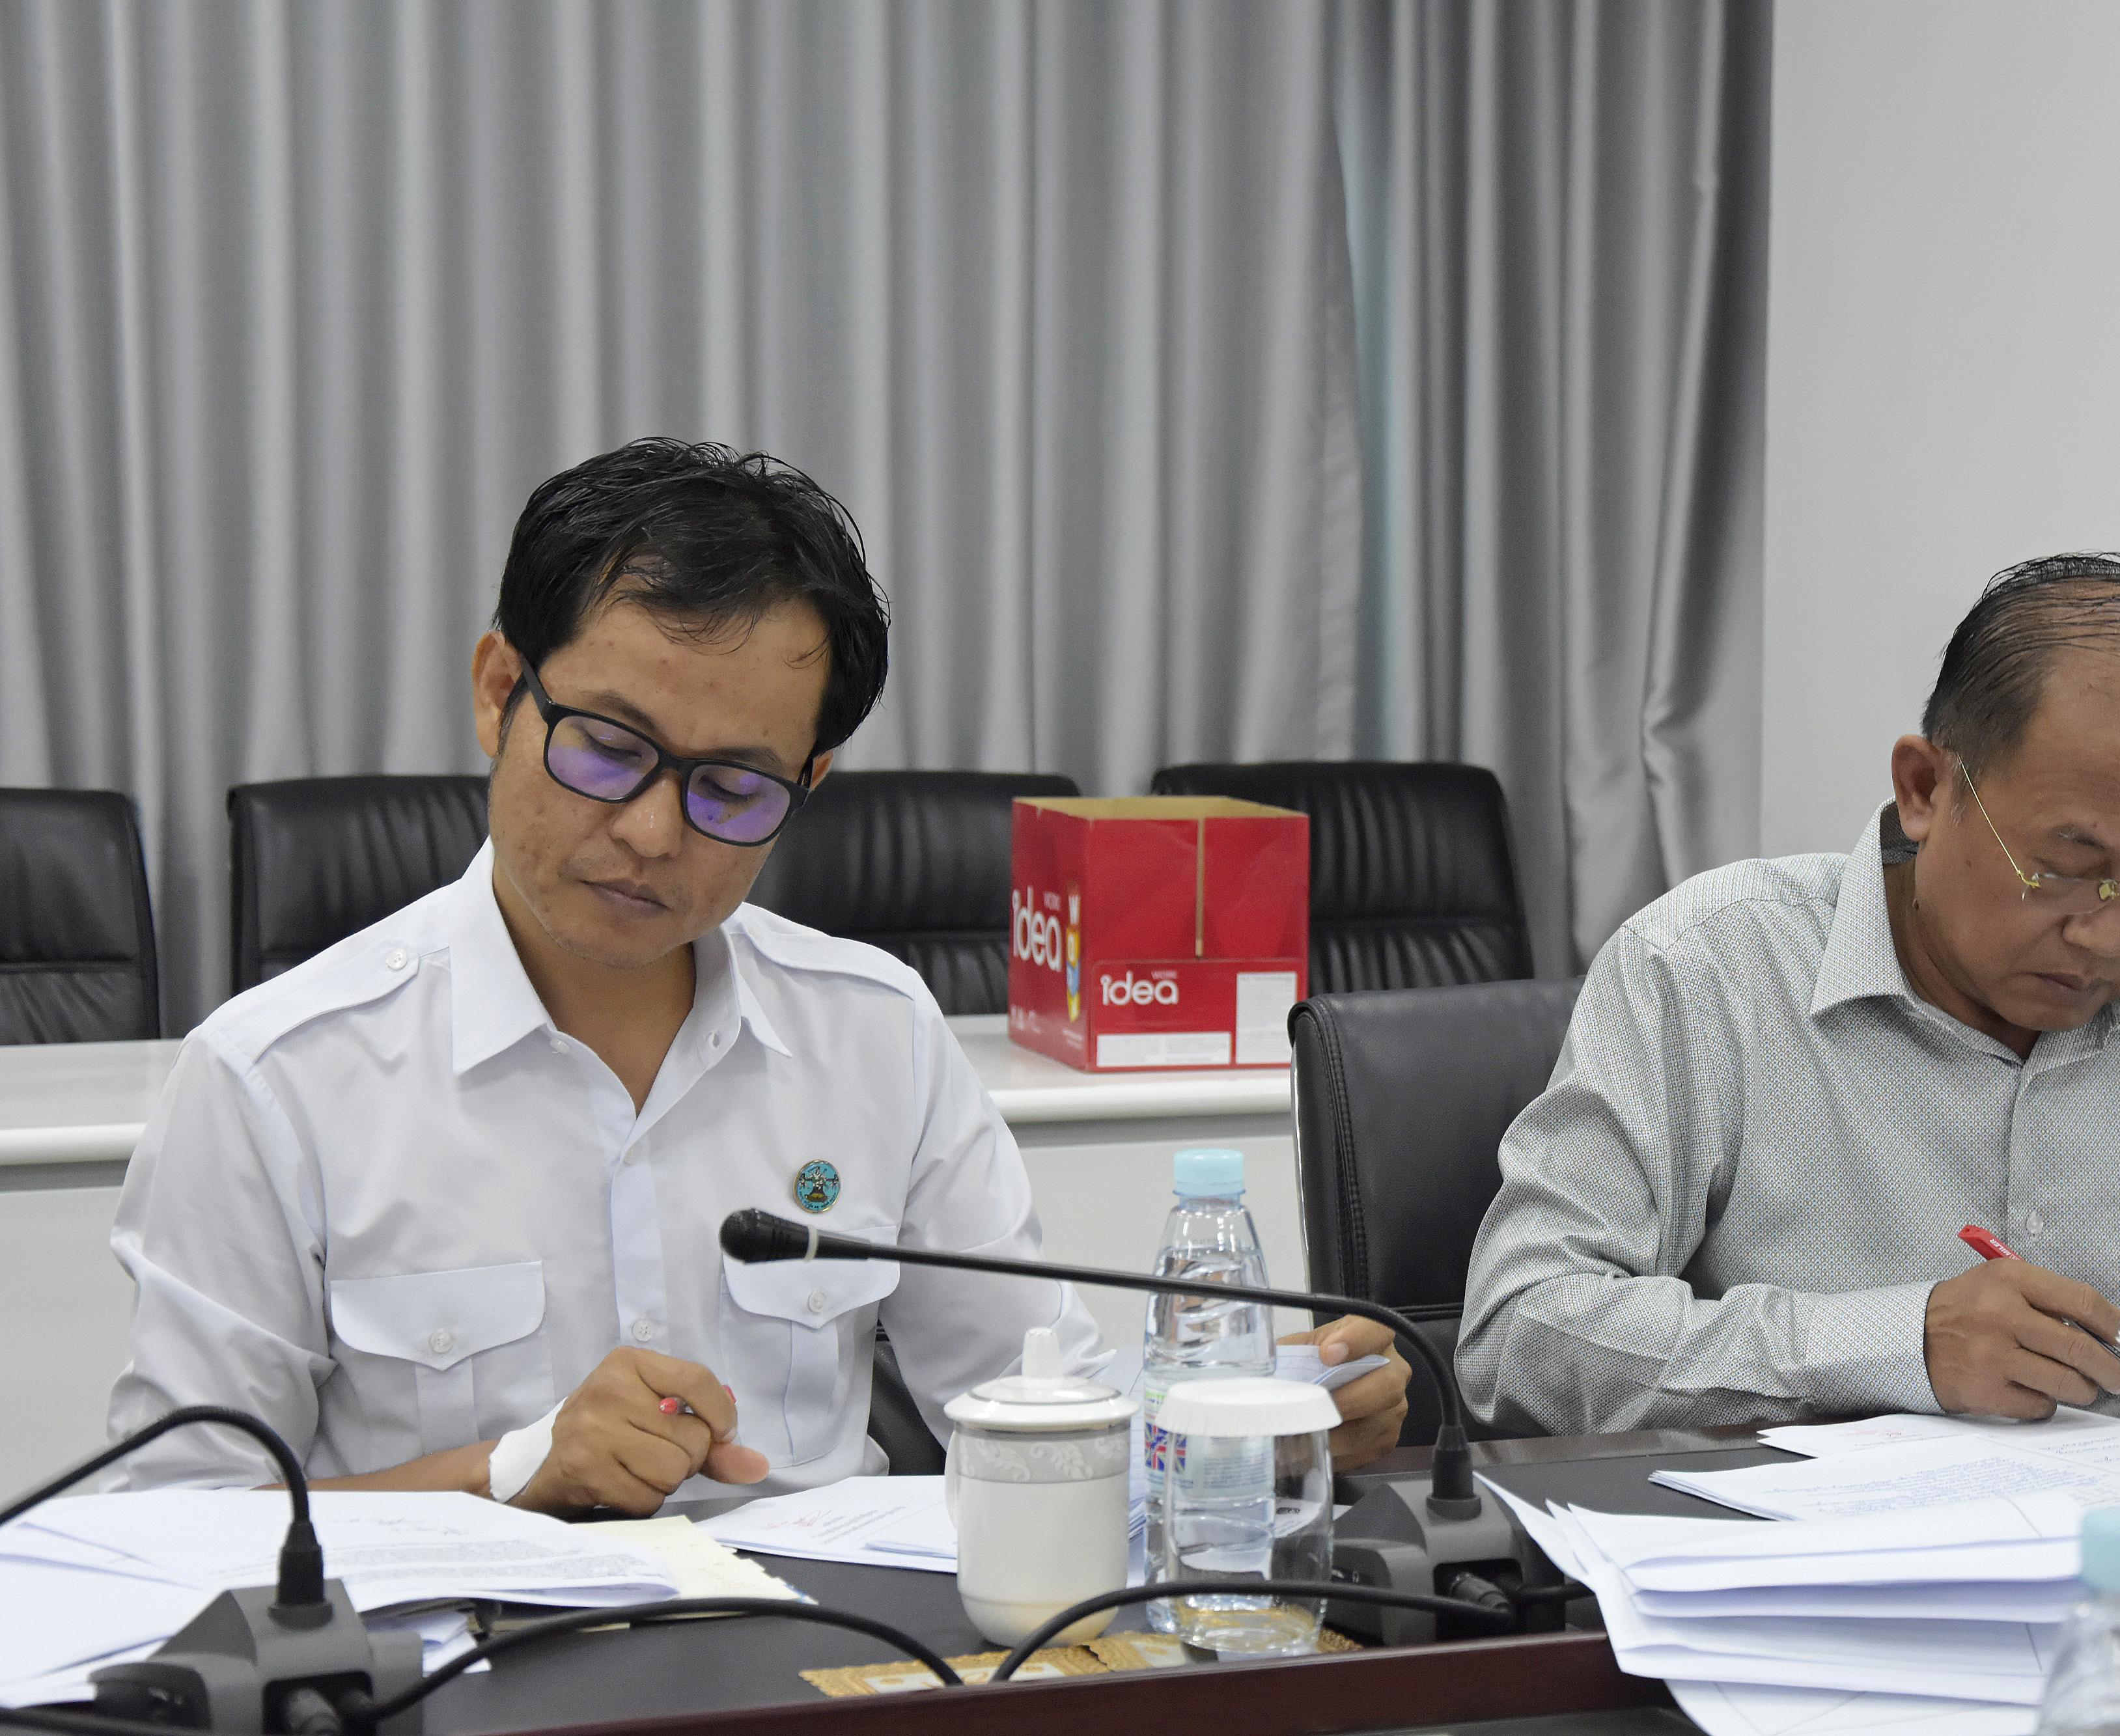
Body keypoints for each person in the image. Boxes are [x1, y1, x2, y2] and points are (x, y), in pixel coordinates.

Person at [107, 438, 1408, 1509]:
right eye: (607, 746)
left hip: (817, 1663)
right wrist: (507, 1472)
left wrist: (1256, 1410)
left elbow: (1030, 1399)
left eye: (732, 787)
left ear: (809, 783)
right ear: (500, 689)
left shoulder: (874, 1034)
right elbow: (168, 1528)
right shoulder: (276, 1079)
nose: (651, 833)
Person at [1458, 553, 2120, 1436]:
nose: (2109, 935)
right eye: (2066, 867)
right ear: (1925, 789)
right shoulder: (1707, 969)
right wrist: (1896, 1346)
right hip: (1821, 1583)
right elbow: (1520, 1332)